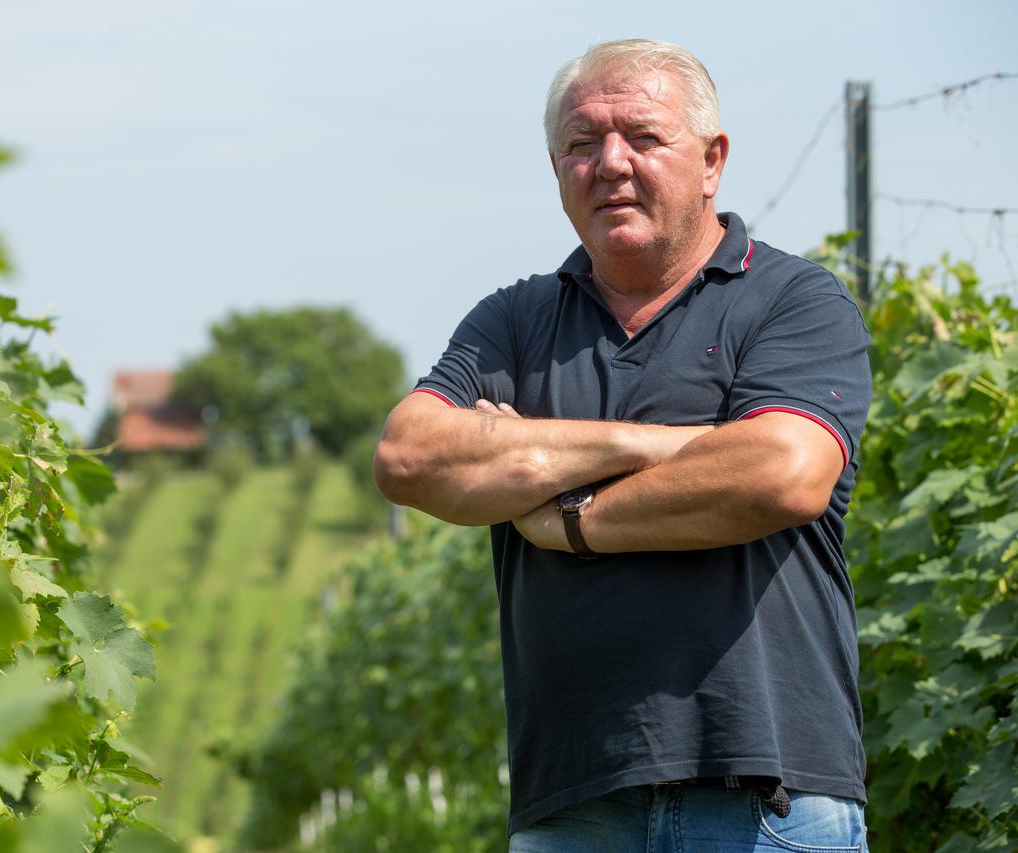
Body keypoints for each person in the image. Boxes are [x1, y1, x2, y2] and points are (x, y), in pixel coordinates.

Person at [373, 39, 873, 853]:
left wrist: (568, 517)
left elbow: (782, 471)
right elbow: (409, 458)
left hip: (765, 798)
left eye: (643, 137)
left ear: (711, 161)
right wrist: (657, 444)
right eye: (582, 143)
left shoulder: (794, 300)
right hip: (572, 803)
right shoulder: (514, 321)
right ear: (555, 167)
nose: (610, 163)